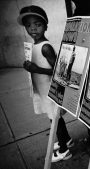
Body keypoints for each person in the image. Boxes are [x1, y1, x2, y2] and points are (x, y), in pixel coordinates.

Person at [17, 5, 74, 162]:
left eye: (38, 24)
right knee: (56, 119)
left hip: (51, 92)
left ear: (46, 25)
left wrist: (36, 69)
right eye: (29, 25)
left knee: (55, 121)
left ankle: (64, 150)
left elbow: (58, 72)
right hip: (43, 90)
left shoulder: (46, 47)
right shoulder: (34, 46)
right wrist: (29, 67)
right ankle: (67, 140)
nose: (33, 28)